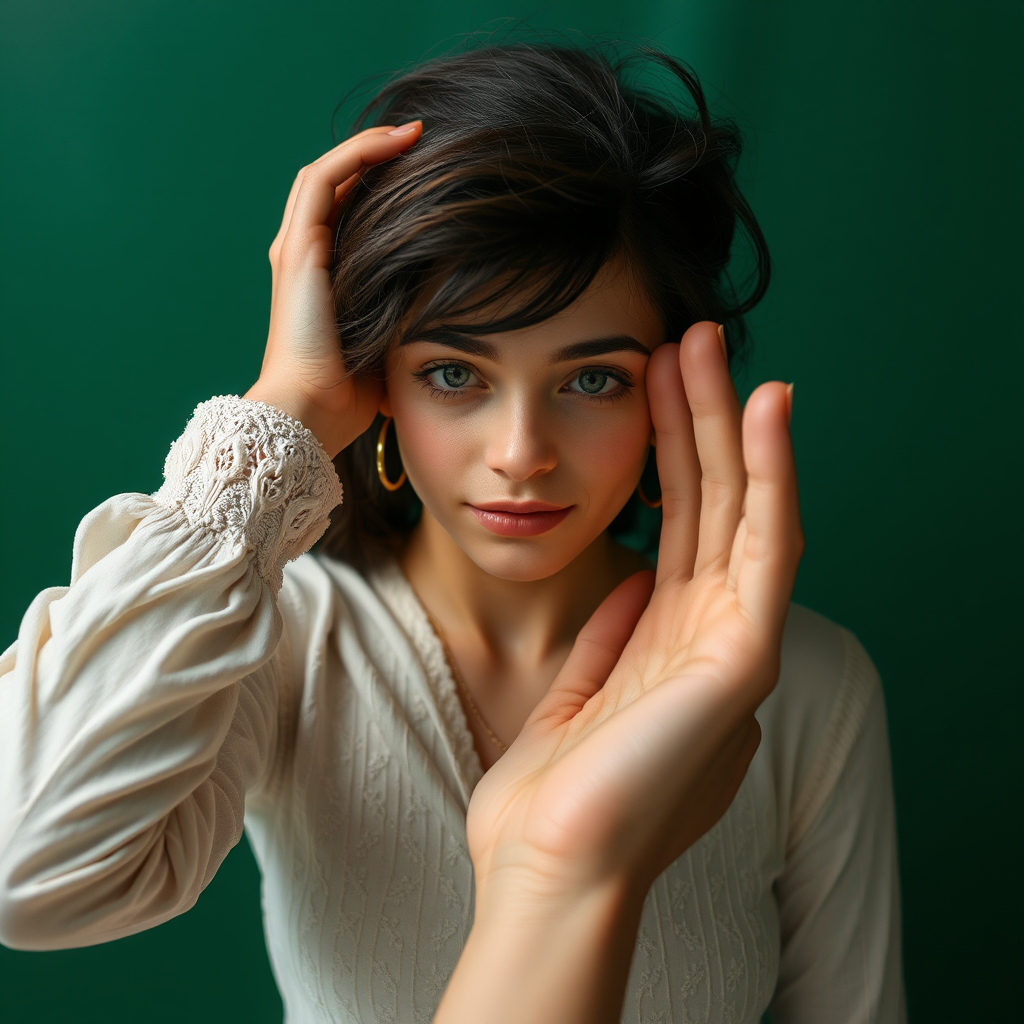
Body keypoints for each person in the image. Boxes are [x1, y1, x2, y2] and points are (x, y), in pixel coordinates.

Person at [0, 41, 906, 1023]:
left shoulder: (808, 687)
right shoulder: (281, 641)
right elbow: (24, 868)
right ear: (378, 378)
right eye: (453, 373)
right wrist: (283, 413)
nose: (520, 451)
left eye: (590, 378)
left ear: (671, 389)